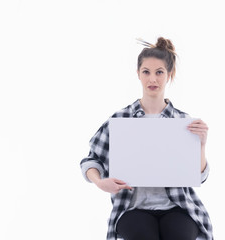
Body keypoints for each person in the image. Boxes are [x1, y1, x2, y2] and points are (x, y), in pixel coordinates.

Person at [80, 37, 213, 240]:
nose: (153, 79)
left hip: (178, 207)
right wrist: (100, 182)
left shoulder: (183, 121)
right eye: (146, 72)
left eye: (159, 72)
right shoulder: (120, 119)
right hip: (133, 208)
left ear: (169, 75)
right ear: (138, 74)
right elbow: (91, 160)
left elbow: (200, 177)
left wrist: (201, 145)